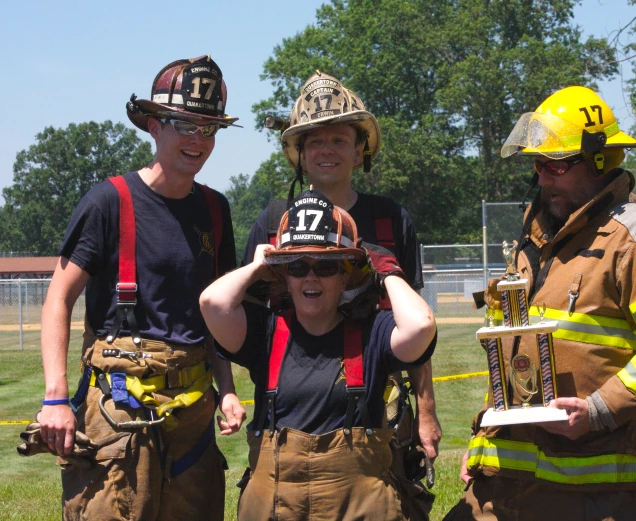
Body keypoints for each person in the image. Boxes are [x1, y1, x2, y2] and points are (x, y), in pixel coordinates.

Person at [444, 86, 636, 521]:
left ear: (602, 160)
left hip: (593, 493)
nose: (543, 178)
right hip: (503, 484)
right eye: (538, 164)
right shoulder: (537, 239)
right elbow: (513, 353)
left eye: (557, 165)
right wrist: (484, 438)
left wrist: (597, 412)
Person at [34, 55, 246, 520]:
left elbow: (217, 315)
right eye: (183, 124)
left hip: (193, 412)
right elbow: (58, 298)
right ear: (153, 125)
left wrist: (227, 389)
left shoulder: (215, 209)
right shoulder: (108, 201)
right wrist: (55, 398)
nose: (197, 140)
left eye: (208, 129)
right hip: (118, 414)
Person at [244, 71, 442, 474]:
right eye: (314, 141)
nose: (326, 151)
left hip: (379, 406)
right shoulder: (273, 221)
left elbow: (418, 329)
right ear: (299, 154)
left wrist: (426, 410)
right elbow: (245, 322)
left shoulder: (390, 220)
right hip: (290, 408)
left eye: (339, 139)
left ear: (359, 151)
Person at [200, 188, 437, 521]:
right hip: (275, 506)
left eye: (326, 267)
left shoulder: (372, 332)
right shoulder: (265, 333)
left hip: (357, 508)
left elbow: (420, 327)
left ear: (345, 277)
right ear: (285, 276)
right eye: (297, 266)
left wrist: (388, 273)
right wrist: (258, 266)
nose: (310, 276)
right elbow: (212, 304)